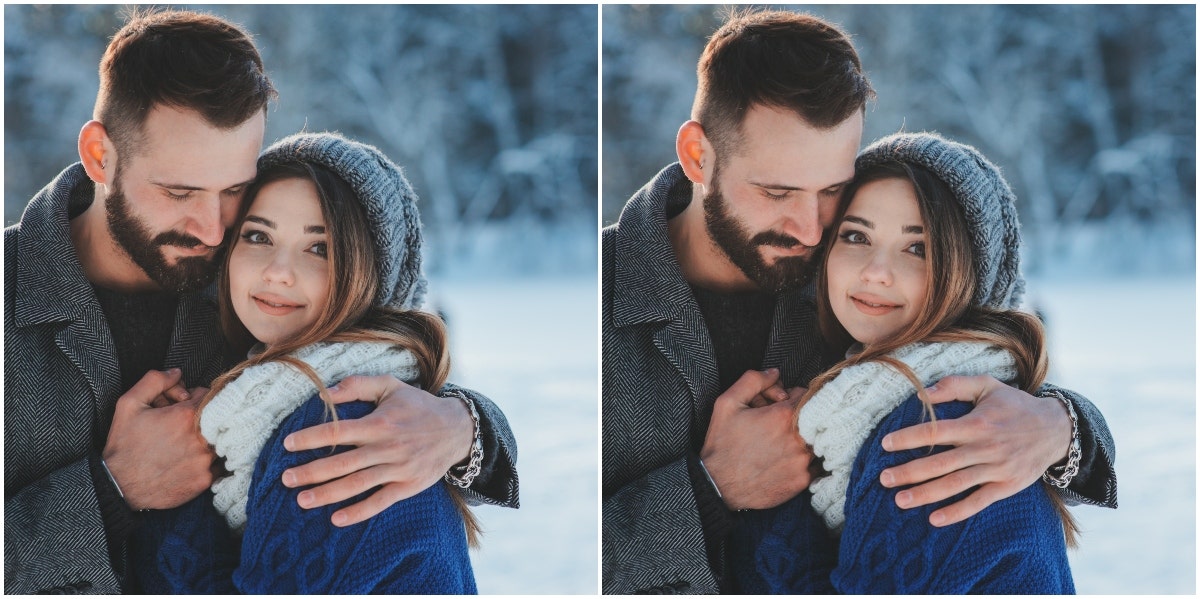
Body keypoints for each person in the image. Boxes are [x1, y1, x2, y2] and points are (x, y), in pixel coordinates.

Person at [602, 9, 1115, 594]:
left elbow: (964, 358)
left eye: (832, 190)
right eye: (776, 192)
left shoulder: (848, 285)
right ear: (698, 156)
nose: (810, 228)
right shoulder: (595, 297)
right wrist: (710, 491)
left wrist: (1061, 427)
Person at [4, 11, 516, 594]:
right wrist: (111, 492)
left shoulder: (251, 284)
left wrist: (463, 426)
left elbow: (366, 358)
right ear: (100, 156)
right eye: (179, 192)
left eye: (233, 190)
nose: (213, 228)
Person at [730, 132, 1083, 593]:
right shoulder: (857, 398)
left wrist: (761, 502)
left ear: (971, 275)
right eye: (856, 236)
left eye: (918, 248)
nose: (876, 270)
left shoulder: (941, 429)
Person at [129, 132, 478, 593]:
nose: (277, 271)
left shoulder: (342, 426)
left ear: (374, 274)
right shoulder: (264, 395)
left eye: (320, 248)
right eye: (258, 236)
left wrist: (160, 497)